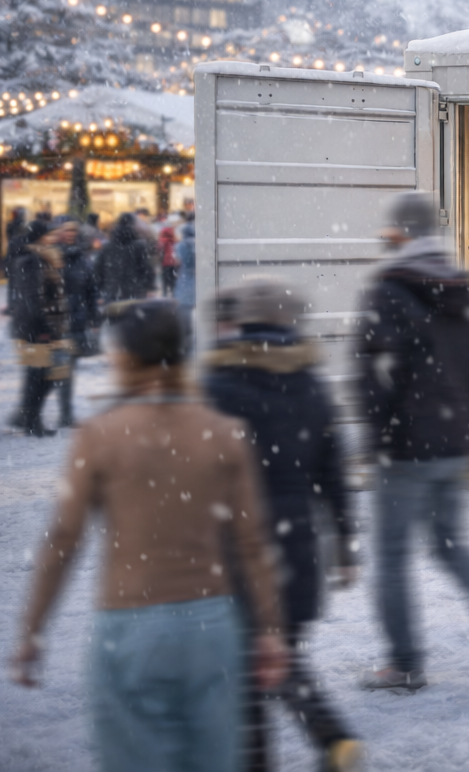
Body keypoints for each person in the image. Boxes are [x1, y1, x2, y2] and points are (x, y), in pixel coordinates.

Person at [11, 299, 289, 772]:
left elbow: (64, 538)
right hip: (212, 626)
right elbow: (252, 541)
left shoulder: (101, 435)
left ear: (125, 357)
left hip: (130, 625)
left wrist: (33, 631)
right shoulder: (224, 432)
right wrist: (269, 630)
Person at [355, 191, 469, 691]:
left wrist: (377, 437)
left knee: (391, 555)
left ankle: (404, 663)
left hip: (408, 444)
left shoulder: (387, 290)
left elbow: (370, 374)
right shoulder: (462, 285)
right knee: (452, 545)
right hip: (455, 439)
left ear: (398, 233)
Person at [203, 278, 362, 772]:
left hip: (234, 541)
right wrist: (344, 541)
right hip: (296, 540)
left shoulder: (216, 385)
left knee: (247, 666)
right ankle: (333, 738)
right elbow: (333, 472)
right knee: (280, 650)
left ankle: (286, 751)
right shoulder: (312, 385)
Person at [9, 219, 67, 436]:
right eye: (49, 235)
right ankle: (30, 419)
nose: (52, 238)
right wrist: (45, 328)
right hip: (36, 326)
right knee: (44, 375)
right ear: (41, 237)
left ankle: (29, 417)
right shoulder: (33, 259)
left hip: (31, 324)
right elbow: (33, 297)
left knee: (38, 374)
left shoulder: (32, 257)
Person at [53, 217, 100, 429]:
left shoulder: (82, 258)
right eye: (66, 230)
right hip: (54, 321)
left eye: (73, 230)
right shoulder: (50, 256)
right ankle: (31, 412)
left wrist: (94, 318)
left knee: (66, 369)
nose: (70, 234)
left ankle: (65, 413)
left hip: (76, 320)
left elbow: (91, 290)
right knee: (52, 369)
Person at [95, 212, 155, 303]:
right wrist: (149, 287)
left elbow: (98, 269)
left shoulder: (108, 247)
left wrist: (99, 291)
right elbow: (146, 268)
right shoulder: (139, 246)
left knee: (115, 316)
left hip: (112, 291)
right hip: (135, 291)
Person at [173, 219, 196, 353]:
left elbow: (177, 261)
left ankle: (185, 338)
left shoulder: (180, 246)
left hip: (184, 279)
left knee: (184, 310)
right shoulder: (198, 243)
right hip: (196, 279)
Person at [158, 219, 180, 298]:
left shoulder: (161, 241)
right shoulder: (174, 240)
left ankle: (164, 295)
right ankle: (174, 295)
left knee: (165, 280)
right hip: (174, 263)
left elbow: (160, 251)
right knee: (173, 280)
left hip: (165, 263)